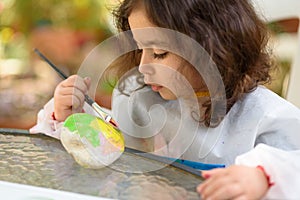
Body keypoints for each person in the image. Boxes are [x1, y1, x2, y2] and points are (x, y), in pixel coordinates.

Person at [30, 0, 300, 199]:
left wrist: (264, 178)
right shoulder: (144, 102)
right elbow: (99, 155)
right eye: (140, 49)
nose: (143, 65)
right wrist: (68, 117)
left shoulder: (265, 117)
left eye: (159, 52)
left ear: (213, 49)